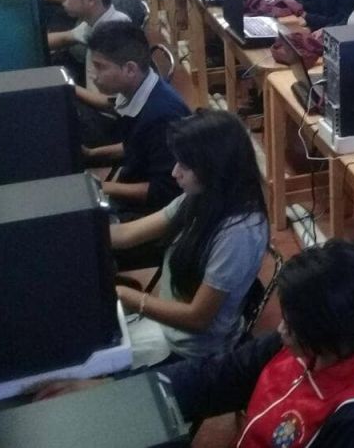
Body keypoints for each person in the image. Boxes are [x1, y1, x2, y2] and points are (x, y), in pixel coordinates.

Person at [37, 240, 354, 448]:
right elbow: (214, 378)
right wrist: (116, 391)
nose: (281, 328)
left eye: (293, 324)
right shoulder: (291, 348)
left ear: (326, 330)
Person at [110, 111, 269, 363]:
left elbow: (198, 319)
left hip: (192, 353)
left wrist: (127, 296)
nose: (175, 172)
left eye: (184, 165)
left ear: (213, 167)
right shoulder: (202, 196)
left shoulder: (239, 234)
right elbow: (126, 234)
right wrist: (77, 233)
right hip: (166, 330)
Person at [77, 22, 191, 218]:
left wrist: (102, 187)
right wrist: (91, 154)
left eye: (100, 67)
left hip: (155, 212)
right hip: (133, 184)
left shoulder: (162, 117)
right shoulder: (135, 91)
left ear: (130, 69)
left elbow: (164, 191)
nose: (94, 76)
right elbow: (137, 145)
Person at [46, 0, 131, 88]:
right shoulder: (93, 22)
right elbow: (64, 38)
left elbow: (108, 99)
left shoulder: (111, 35)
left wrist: (65, 84)